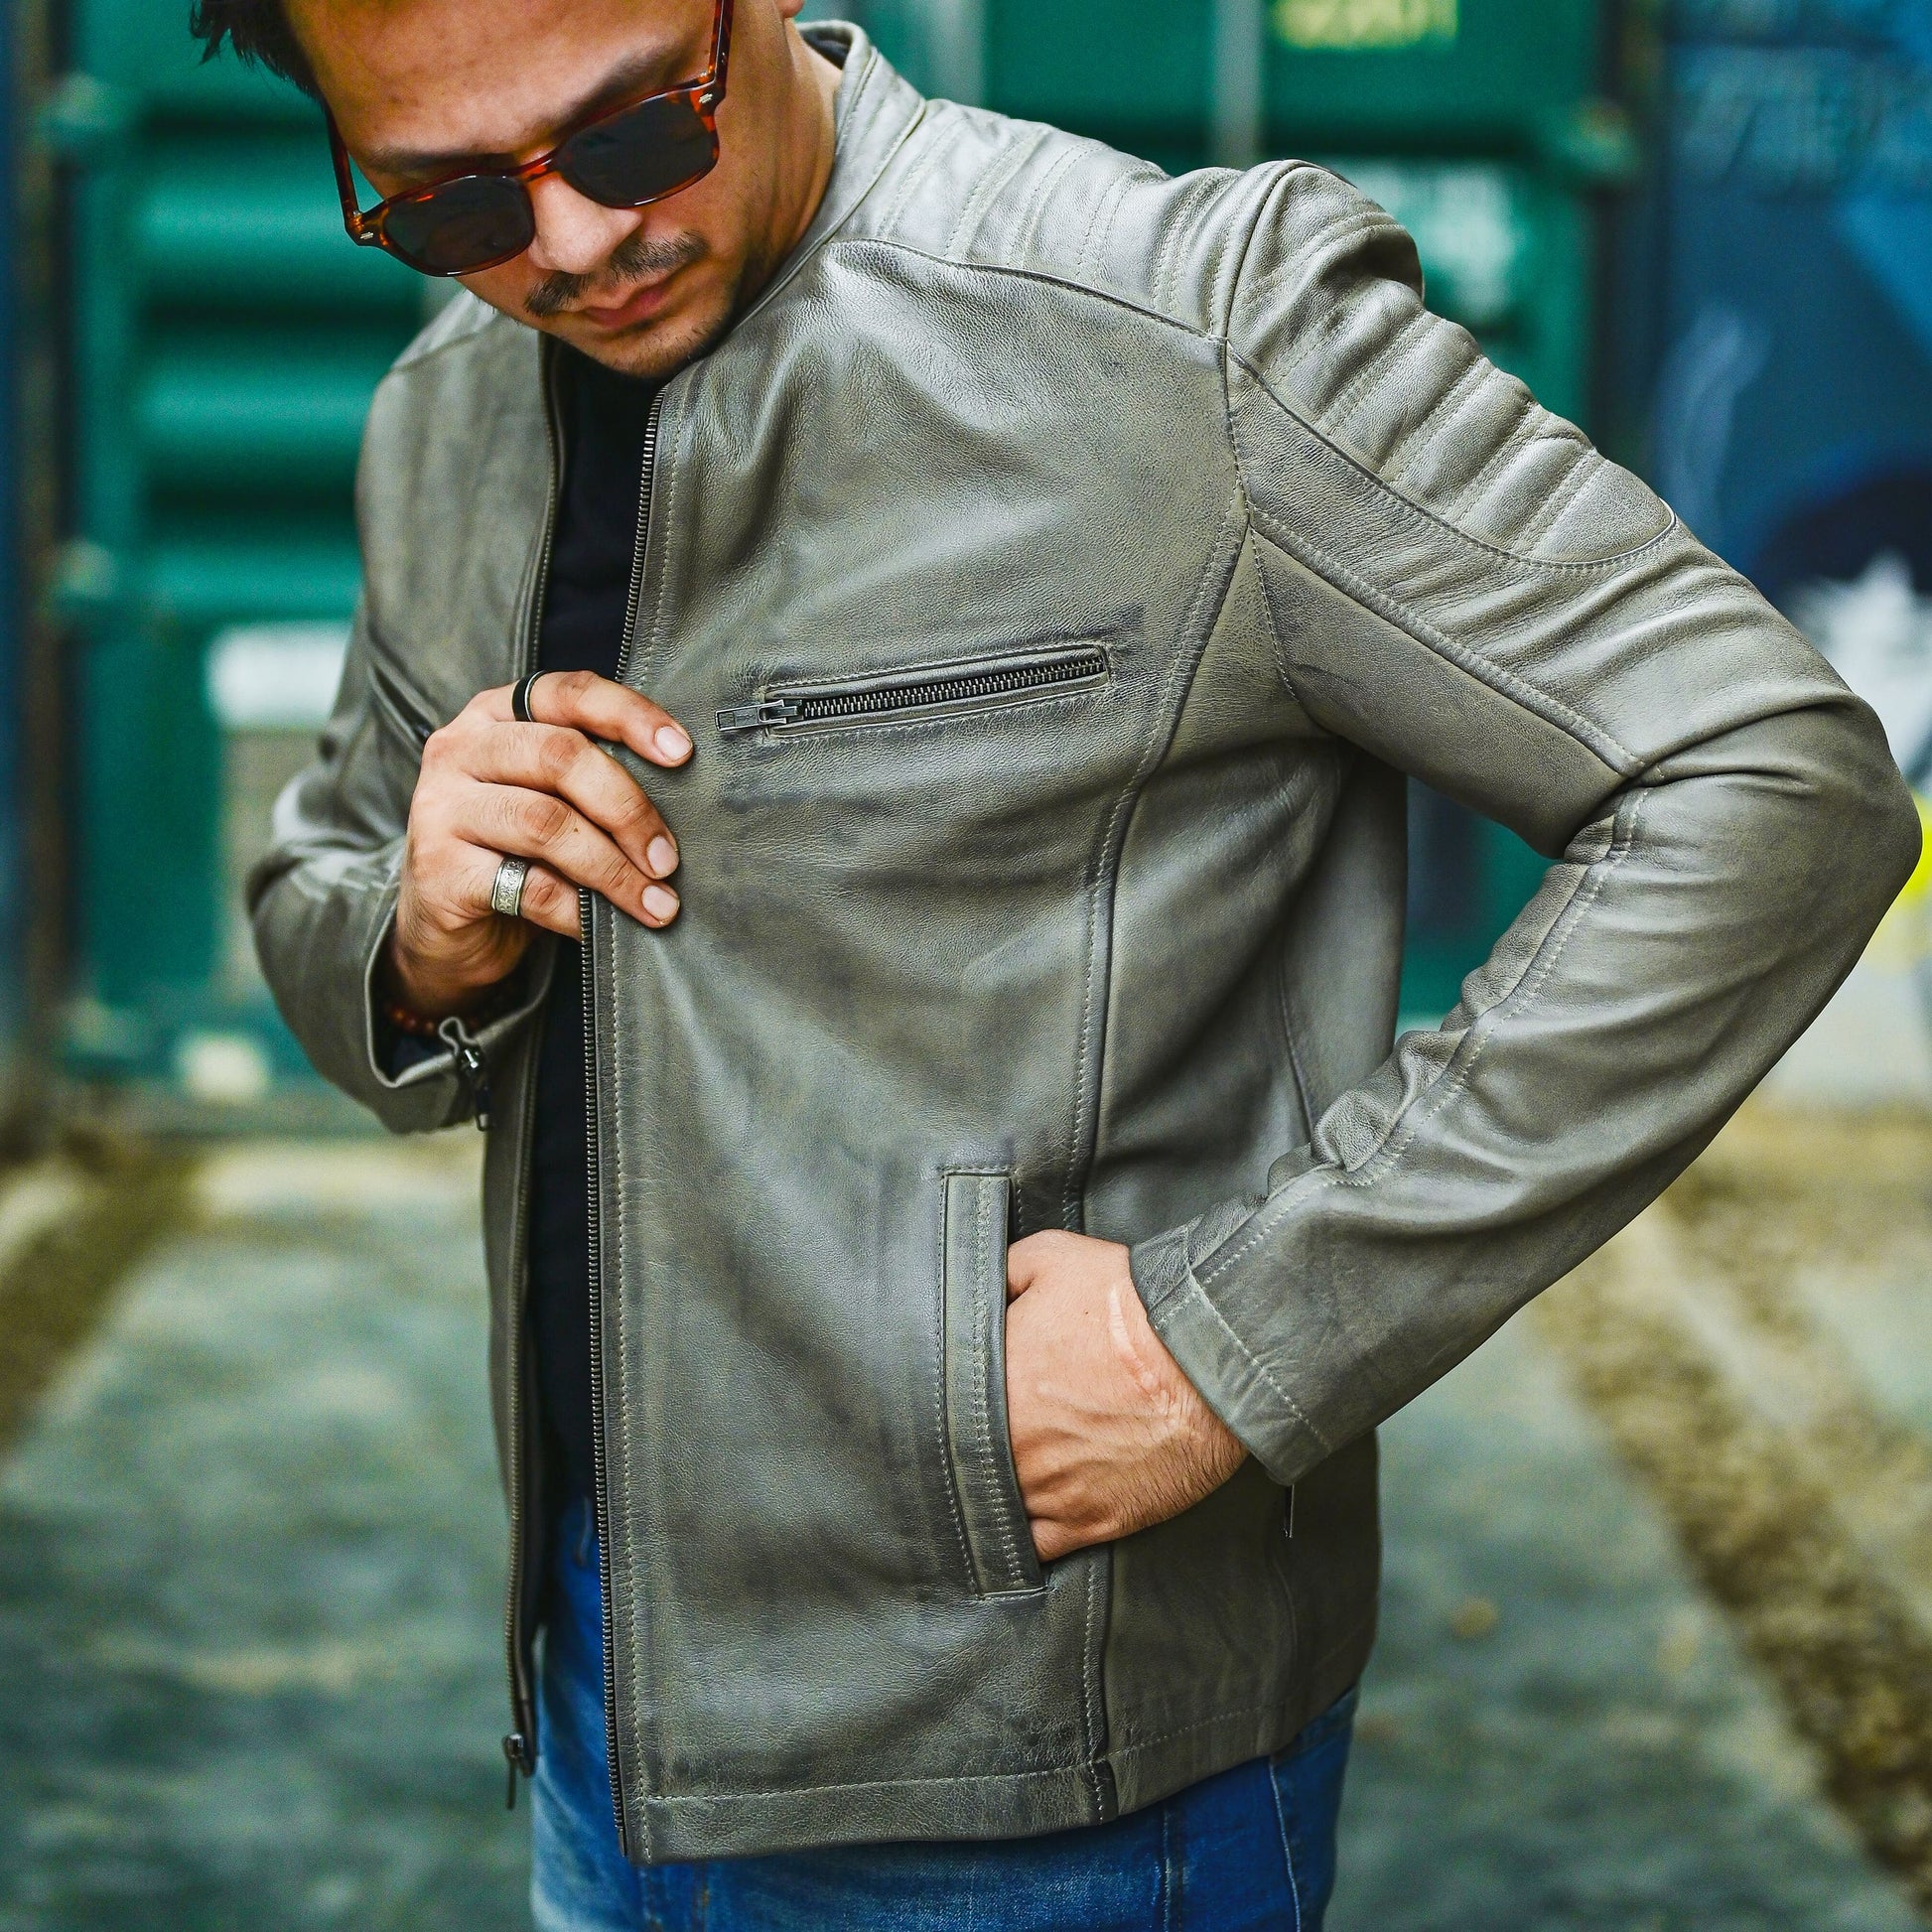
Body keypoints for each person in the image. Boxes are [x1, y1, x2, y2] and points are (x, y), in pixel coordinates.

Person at [210, 0, 1919, 1923]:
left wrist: (1231, 1339)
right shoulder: (443, 412)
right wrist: (418, 937)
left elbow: (1765, 783)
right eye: (450, 204)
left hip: (1047, 1787)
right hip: (601, 1732)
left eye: (628, 134)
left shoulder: (1182, 328)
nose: (573, 243)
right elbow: (317, 896)